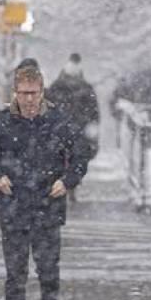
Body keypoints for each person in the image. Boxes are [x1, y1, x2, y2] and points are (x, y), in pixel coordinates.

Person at [0, 58, 93, 300]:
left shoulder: (58, 121)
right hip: (13, 208)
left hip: (48, 208)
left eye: (34, 93)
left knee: (48, 274)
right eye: (24, 93)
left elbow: (81, 155)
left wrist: (67, 181)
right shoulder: (1, 122)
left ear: (42, 91)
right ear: (15, 92)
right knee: (15, 278)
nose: (29, 99)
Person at [47, 53, 100, 202]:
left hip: (61, 128)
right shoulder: (86, 88)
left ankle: (62, 185)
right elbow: (93, 111)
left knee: (60, 157)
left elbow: (48, 105)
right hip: (78, 129)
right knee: (77, 158)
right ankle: (71, 186)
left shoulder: (56, 87)